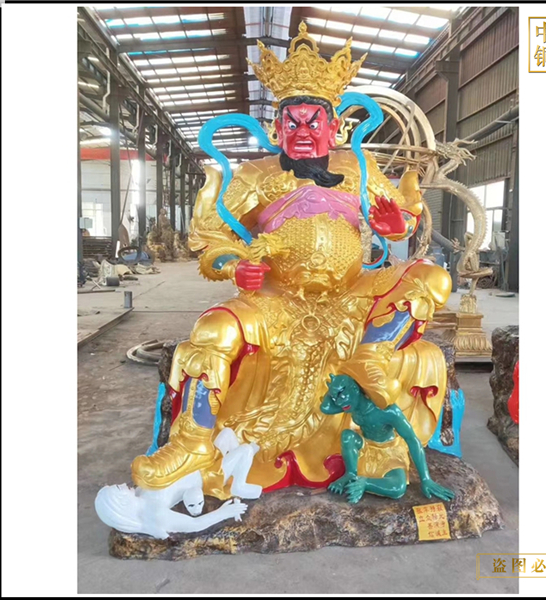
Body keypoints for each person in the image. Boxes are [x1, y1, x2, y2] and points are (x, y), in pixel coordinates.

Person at [131, 23, 452, 499]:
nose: (303, 132)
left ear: (336, 127)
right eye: (293, 123)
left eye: (313, 123)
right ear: (276, 128)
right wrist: (234, 266)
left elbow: (400, 217)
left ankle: (371, 354)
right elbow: (213, 237)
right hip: (277, 297)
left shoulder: (359, 167)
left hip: (350, 291)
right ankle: (192, 444)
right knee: (213, 331)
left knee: (432, 277)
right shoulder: (254, 174)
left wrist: (394, 226)